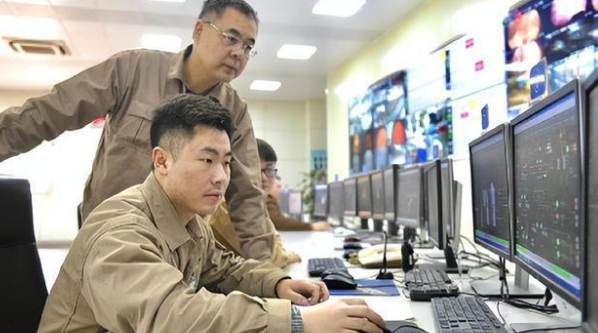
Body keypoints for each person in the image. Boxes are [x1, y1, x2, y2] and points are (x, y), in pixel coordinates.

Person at [37, 94, 386, 333]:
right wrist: (297, 322)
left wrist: (278, 284)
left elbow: (226, 269)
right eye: (207, 160)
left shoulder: (189, 220)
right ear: (162, 161)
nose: (221, 176)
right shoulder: (121, 231)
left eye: (226, 162)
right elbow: (171, 315)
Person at [0, 0, 273, 260]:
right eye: (231, 38)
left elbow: (247, 197)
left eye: (248, 47)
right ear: (199, 31)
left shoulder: (235, 112)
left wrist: (267, 274)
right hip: (107, 240)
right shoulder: (133, 69)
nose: (238, 53)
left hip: (177, 253)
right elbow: (48, 113)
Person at [257, 139, 331, 232]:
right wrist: (311, 226)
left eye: (270, 169)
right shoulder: (261, 202)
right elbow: (280, 222)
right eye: (256, 170)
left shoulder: (262, 201)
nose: (264, 178)